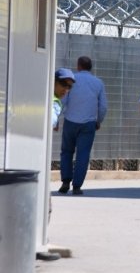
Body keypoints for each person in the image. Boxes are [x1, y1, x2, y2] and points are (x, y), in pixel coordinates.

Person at [38, 69, 76, 262]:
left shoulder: (44, 96)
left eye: (69, 87)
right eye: (63, 85)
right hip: (36, 157)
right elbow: (50, 123)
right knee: (45, 205)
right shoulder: (53, 101)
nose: (66, 90)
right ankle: (39, 243)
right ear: (52, 81)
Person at [59, 56, 107, 195]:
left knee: (67, 152)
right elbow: (103, 107)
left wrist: (56, 118)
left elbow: (62, 101)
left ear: (78, 66)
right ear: (90, 67)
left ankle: (65, 182)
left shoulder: (71, 80)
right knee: (83, 154)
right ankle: (77, 186)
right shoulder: (98, 83)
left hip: (70, 121)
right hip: (88, 123)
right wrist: (98, 121)